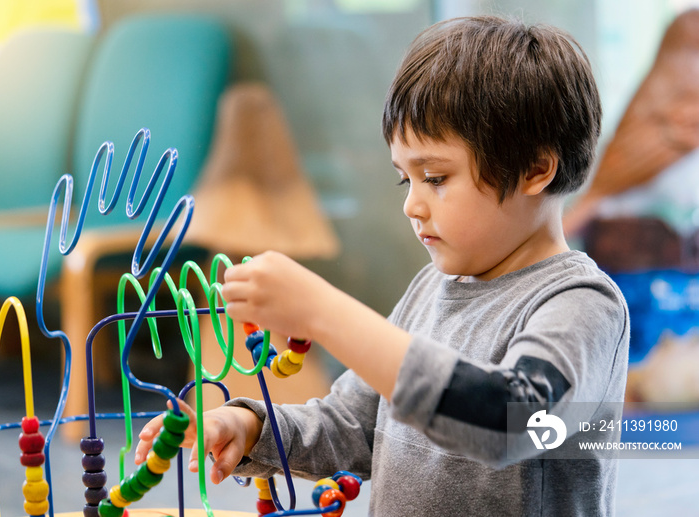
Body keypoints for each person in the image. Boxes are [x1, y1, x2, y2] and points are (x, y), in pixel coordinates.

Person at [135, 15, 629, 516]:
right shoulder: (429, 288)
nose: (412, 205)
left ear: (535, 169)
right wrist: (249, 427)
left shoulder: (580, 303)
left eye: (435, 177)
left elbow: (512, 420)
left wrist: (323, 312)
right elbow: (349, 423)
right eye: (405, 180)